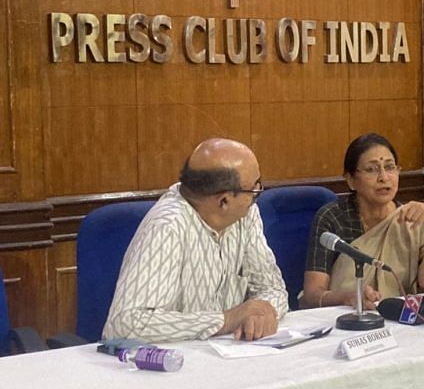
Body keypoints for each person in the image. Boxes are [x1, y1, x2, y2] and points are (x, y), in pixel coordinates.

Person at [103, 138, 288, 342]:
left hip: (231, 353)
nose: (257, 195)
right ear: (224, 200)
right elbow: (125, 325)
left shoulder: (246, 215)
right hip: (171, 363)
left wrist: (259, 316)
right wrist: (225, 320)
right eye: (254, 189)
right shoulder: (167, 226)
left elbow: (273, 289)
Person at [300, 133, 424, 310]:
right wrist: (348, 297)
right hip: (346, 318)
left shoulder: (411, 219)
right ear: (351, 180)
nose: (384, 177)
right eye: (372, 169)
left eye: (390, 167)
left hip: (399, 317)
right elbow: (312, 295)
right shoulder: (333, 217)